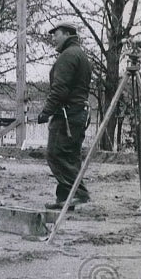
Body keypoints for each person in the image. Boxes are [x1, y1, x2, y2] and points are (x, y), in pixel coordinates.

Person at [37, 21, 93, 210]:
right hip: (79, 113)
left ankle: (78, 193)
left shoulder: (68, 56)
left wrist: (46, 112)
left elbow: (59, 89)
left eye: (56, 34)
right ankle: (65, 200)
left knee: (55, 154)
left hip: (68, 115)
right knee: (70, 156)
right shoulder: (79, 54)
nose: (53, 38)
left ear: (68, 34)